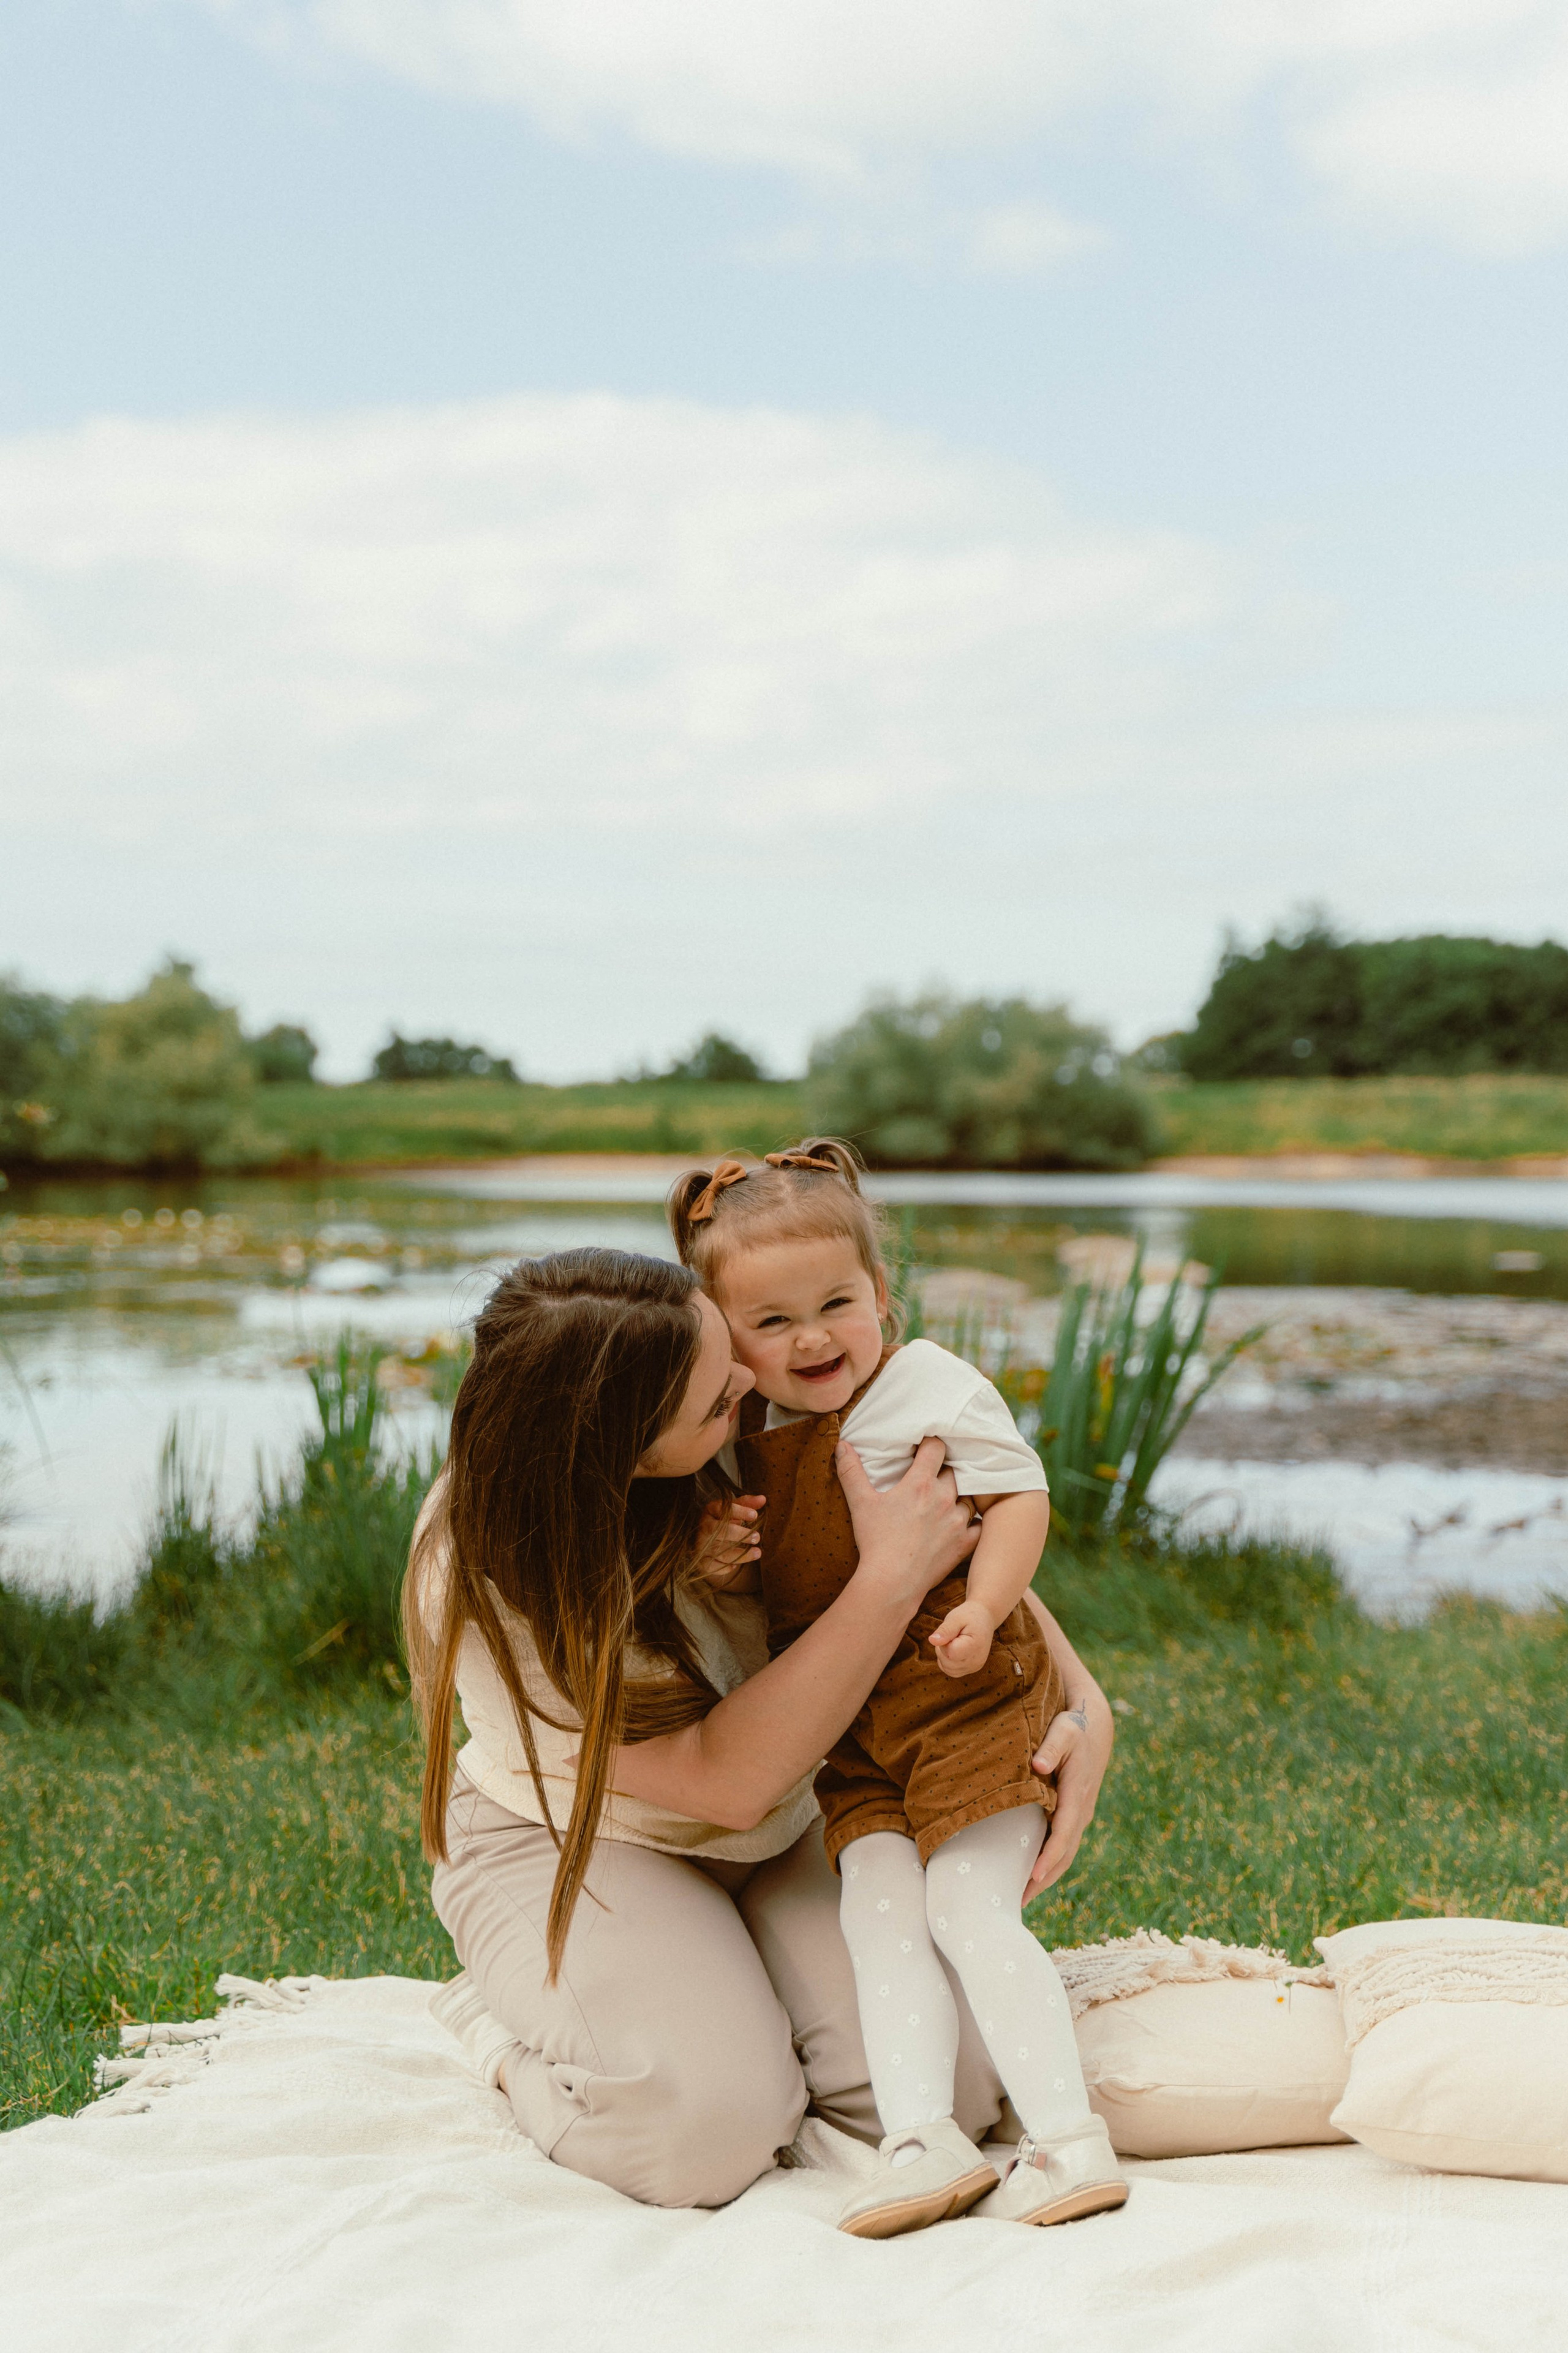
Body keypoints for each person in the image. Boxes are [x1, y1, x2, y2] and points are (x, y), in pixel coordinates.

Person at [405, 1245, 1115, 2216]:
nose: (747, 1379)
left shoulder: (745, 1407)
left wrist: (1083, 1703)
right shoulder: (490, 1572)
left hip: (782, 1819)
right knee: (700, 2134)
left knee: (952, 2091)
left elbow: (957, 1525)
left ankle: (731, 1984)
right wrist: (888, 1580)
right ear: (624, 1448)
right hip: (582, 1831)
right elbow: (723, 1779)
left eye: (726, 1346)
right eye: (712, 1400)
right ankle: (499, 2023)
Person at [667, 1143, 1127, 2235]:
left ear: (885, 1296)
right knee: (879, 1916)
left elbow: (1019, 1495)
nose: (814, 1336)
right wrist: (725, 1551)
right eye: (772, 1323)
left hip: (967, 1694)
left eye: (838, 1303)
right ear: (728, 1338)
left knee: (969, 1907)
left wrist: (984, 1602)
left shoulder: (928, 1385)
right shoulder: (747, 1435)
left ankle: (1069, 2138)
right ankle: (924, 2135)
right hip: (858, 1732)